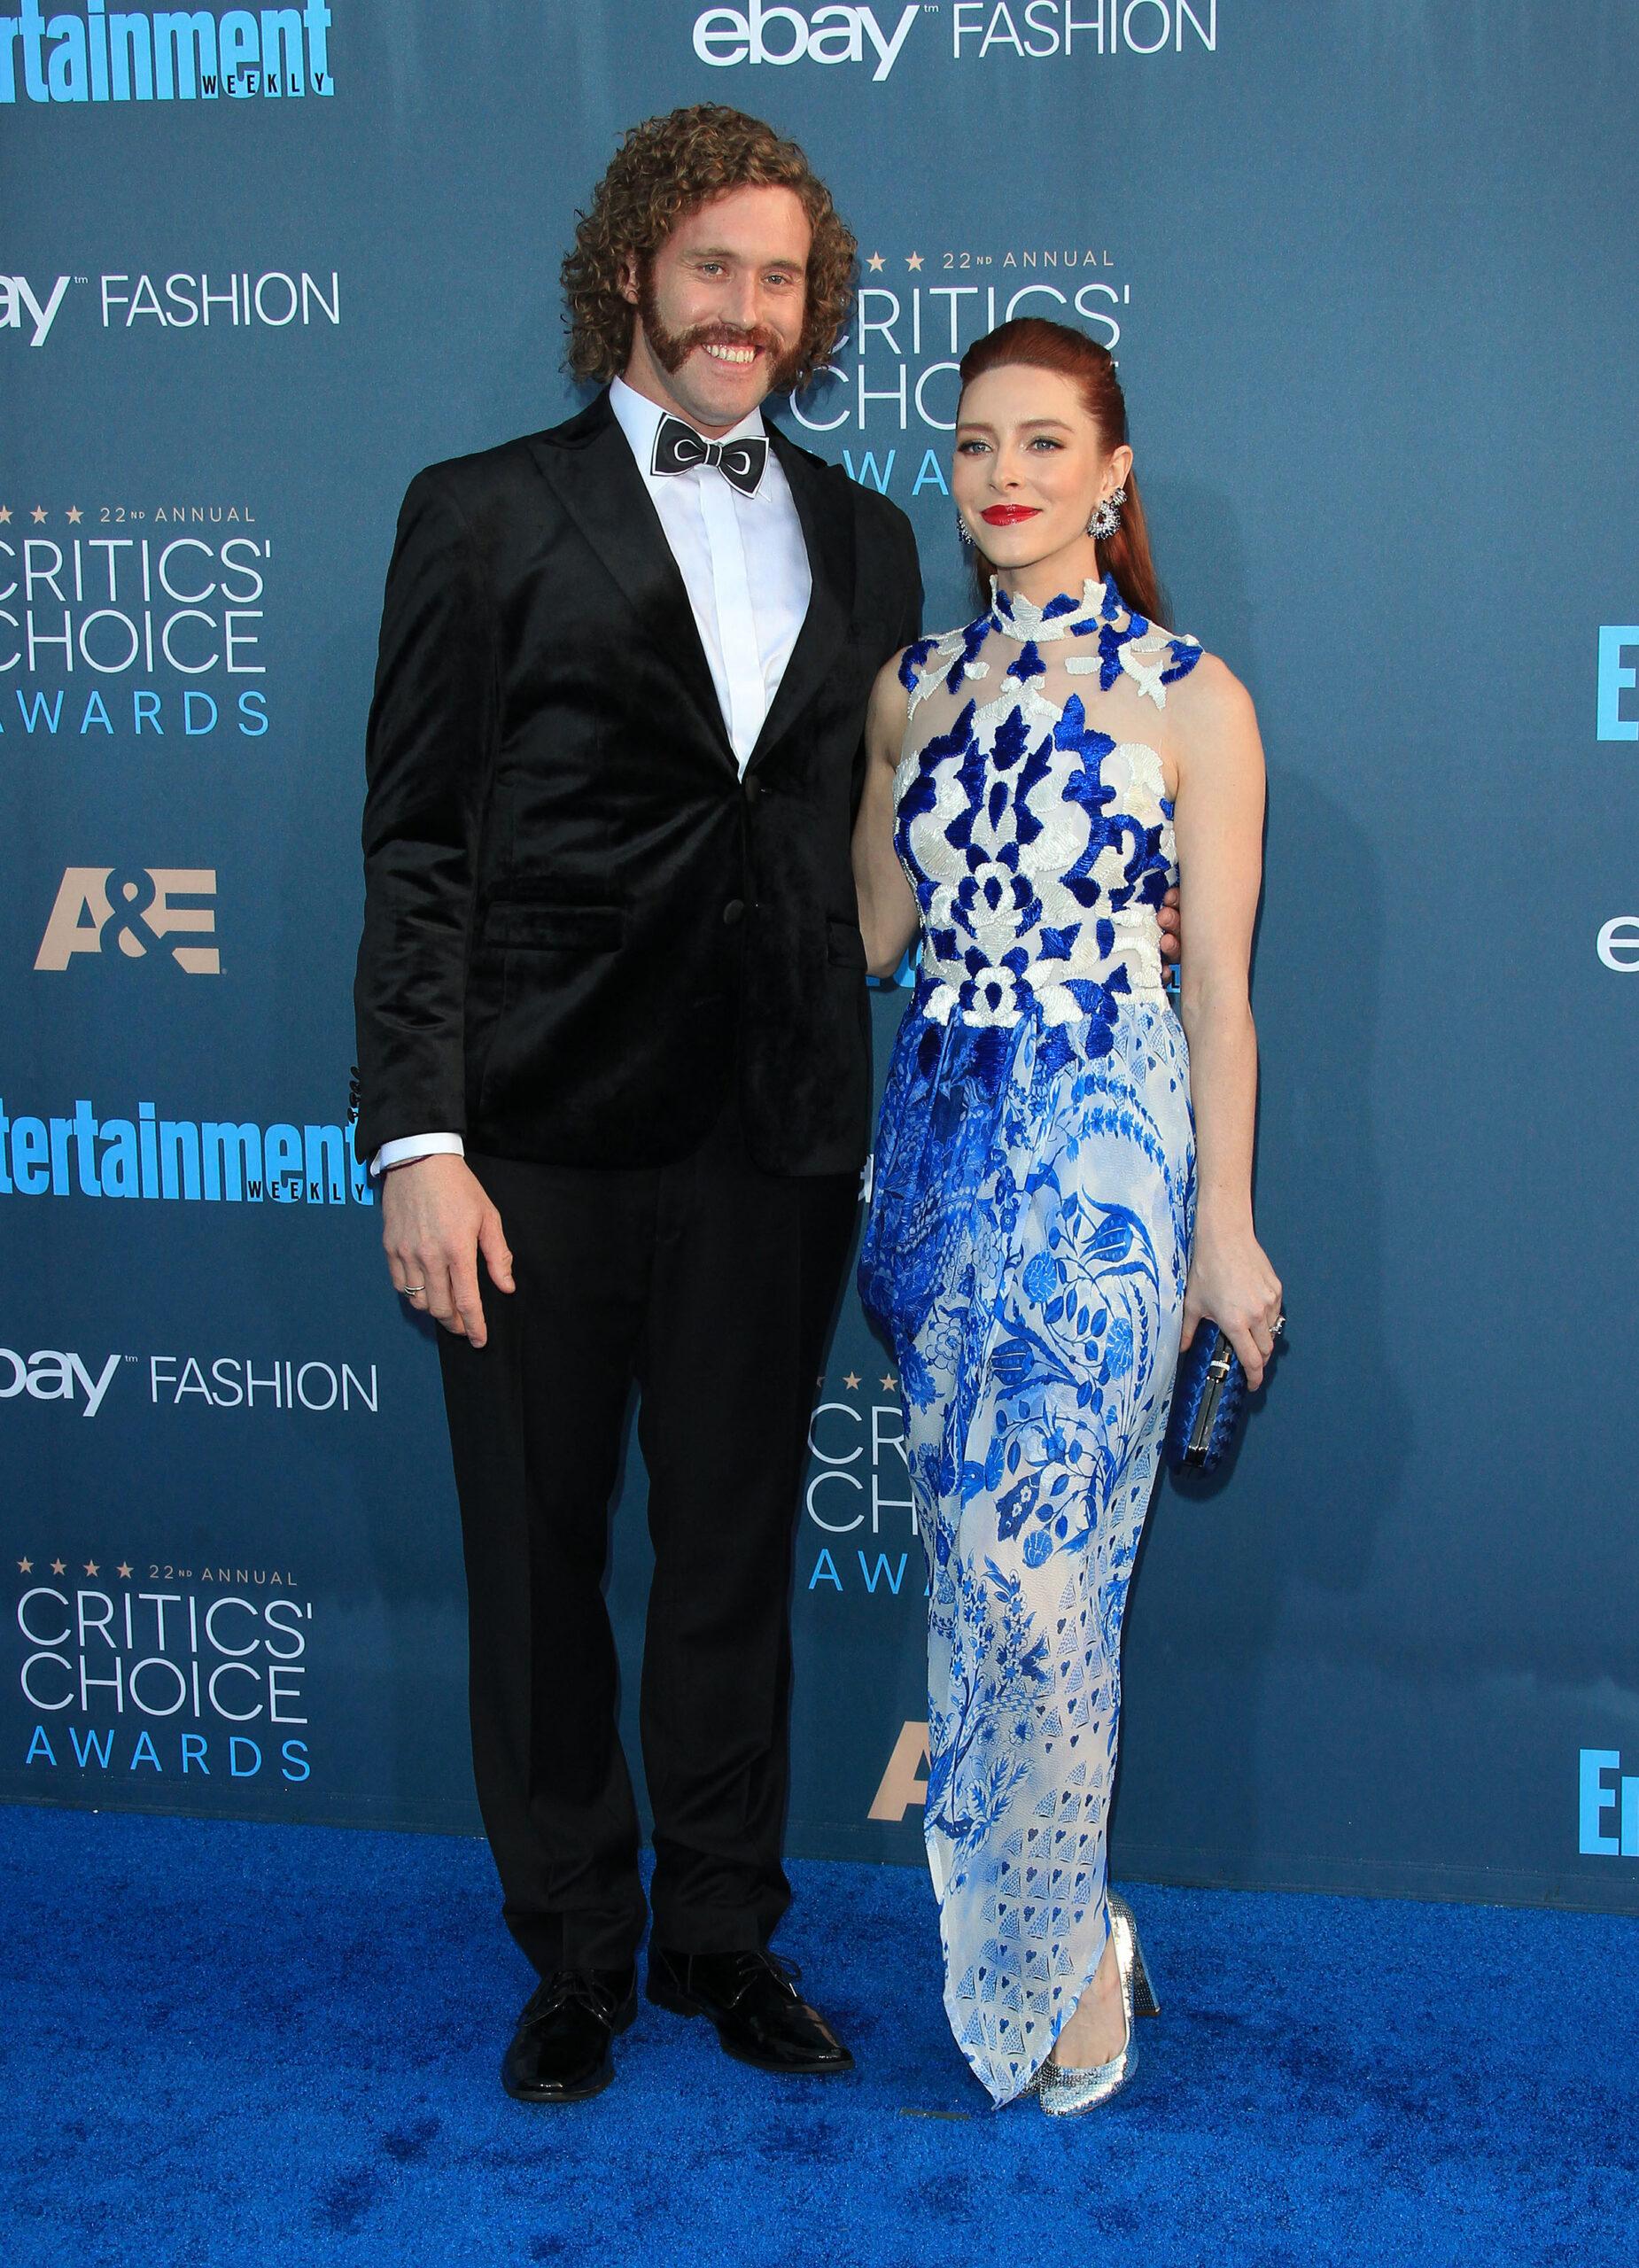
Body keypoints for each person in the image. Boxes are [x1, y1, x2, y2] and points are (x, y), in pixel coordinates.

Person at [352, 105, 928, 2104]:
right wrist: (415, 1138)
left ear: (810, 306)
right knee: (534, 1552)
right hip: (530, 1133)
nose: (743, 312)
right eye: (711, 268)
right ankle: (575, 1949)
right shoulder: (482, 510)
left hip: (774, 1129)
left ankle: (720, 1934)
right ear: (632, 273)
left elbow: (876, 836)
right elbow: (419, 842)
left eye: (778, 280)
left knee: (733, 1553)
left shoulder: (868, 531)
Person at [853, 317, 1280, 2115]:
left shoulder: (1196, 694)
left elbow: (1223, 997)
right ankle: (1054, 1934)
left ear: (1113, 473)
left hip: (1107, 1149)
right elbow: (868, 939)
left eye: (1042, 442)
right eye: (971, 444)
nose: (1002, 474)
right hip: (939, 1155)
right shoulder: (907, 688)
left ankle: (1057, 1949)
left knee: (1052, 1582)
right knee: (974, 1578)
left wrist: (1228, 1233)